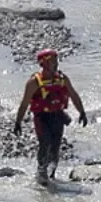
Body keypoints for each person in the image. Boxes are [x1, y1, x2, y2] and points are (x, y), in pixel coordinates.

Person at [12, 48, 88, 184]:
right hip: (41, 117)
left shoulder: (62, 79)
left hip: (58, 116)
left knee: (55, 147)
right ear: (44, 63)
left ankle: (51, 175)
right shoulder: (34, 82)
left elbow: (74, 95)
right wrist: (18, 122)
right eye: (53, 61)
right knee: (45, 143)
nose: (56, 64)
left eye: (56, 60)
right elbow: (24, 104)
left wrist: (82, 112)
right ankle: (41, 172)